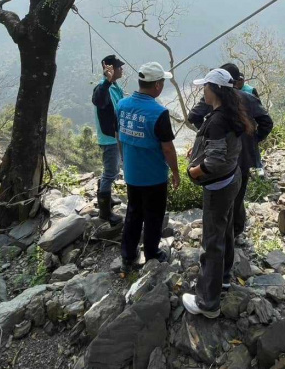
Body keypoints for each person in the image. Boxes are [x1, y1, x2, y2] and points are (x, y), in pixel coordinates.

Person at [182, 69, 257, 318]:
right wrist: (199, 152)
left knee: (212, 242)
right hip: (232, 177)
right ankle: (223, 278)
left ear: (214, 89)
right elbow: (222, 148)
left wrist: (194, 171)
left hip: (217, 187)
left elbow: (214, 161)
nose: (202, 90)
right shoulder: (232, 113)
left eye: (205, 86)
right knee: (225, 231)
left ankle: (208, 303)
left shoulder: (216, 120)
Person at [188, 63, 274, 245]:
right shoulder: (248, 98)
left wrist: (206, 138)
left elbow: (193, 116)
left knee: (218, 195)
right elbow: (267, 122)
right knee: (237, 192)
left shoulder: (213, 102)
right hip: (243, 157)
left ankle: (219, 239)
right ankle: (235, 232)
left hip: (218, 159)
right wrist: (253, 139)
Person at [117, 62, 180, 274]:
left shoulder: (122, 105)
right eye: (162, 82)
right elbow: (168, 148)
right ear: (157, 86)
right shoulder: (159, 112)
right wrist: (176, 172)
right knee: (153, 215)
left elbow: (119, 135)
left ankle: (128, 255)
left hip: (132, 173)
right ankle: (152, 253)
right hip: (153, 176)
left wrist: (124, 159)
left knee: (133, 212)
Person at [91, 55, 126, 224]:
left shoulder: (114, 87)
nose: (121, 69)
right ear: (110, 70)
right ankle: (105, 213)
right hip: (109, 138)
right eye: (119, 67)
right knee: (110, 172)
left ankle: (107, 199)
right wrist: (107, 80)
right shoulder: (103, 87)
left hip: (116, 135)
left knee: (112, 170)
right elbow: (98, 100)